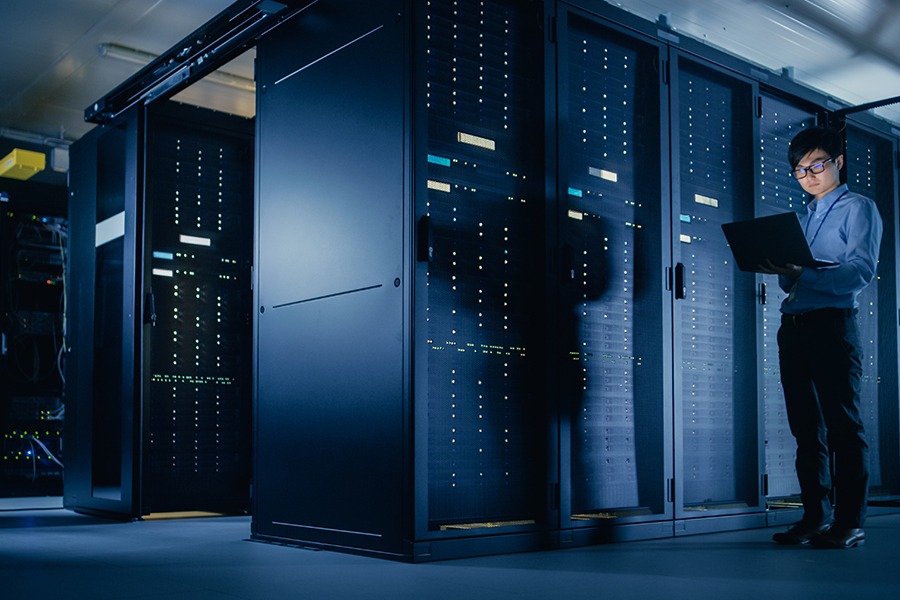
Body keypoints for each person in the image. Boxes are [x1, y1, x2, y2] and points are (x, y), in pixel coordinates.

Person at [761, 125, 882, 549]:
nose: (809, 175)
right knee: (806, 431)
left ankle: (849, 522)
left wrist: (804, 274)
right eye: (799, 170)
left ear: (839, 163)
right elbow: (797, 283)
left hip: (832, 326)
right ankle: (815, 518)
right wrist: (787, 274)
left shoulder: (858, 209)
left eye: (817, 165)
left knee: (843, 428)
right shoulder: (804, 218)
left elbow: (859, 272)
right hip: (793, 329)